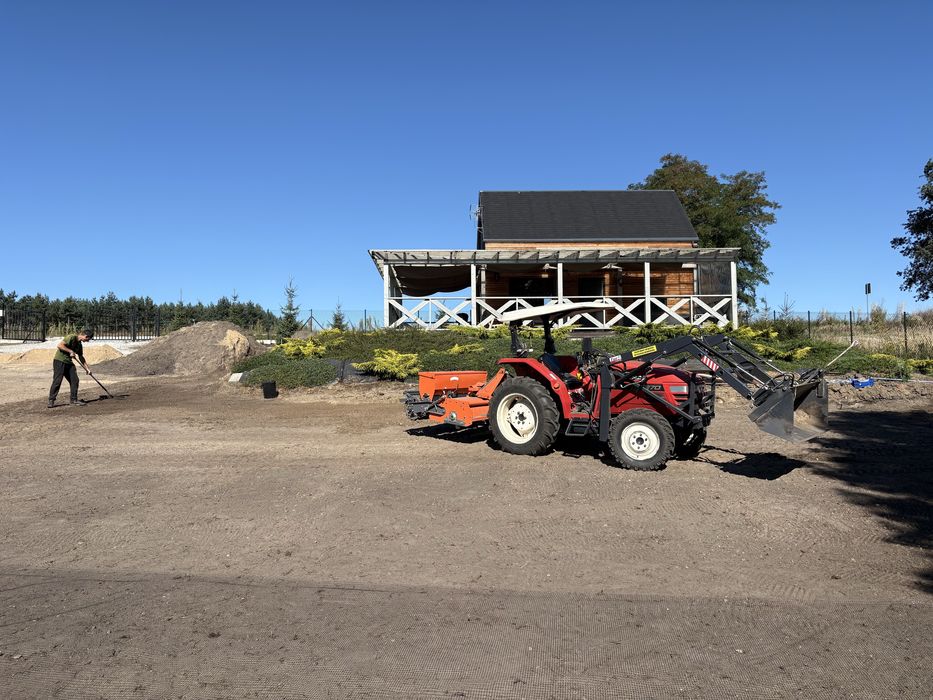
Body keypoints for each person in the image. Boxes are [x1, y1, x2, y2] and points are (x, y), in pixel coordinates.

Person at [48, 329, 94, 408]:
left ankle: (73, 400)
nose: (87, 341)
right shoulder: (71, 337)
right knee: (57, 381)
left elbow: (81, 357)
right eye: (88, 339)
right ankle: (51, 400)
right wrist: (70, 351)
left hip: (69, 363)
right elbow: (60, 345)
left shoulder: (79, 345)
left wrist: (87, 369)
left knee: (75, 380)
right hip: (60, 361)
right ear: (86, 336)